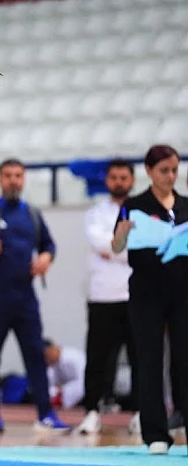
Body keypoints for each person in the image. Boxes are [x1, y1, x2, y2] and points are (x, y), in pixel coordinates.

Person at [0, 158, 70, 432]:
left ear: (24, 179)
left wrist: (46, 257)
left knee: (35, 355)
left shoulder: (32, 214)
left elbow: (49, 245)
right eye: (8, 175)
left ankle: (45, 414)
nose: (13, 180)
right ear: (0, 179)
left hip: (26, 297)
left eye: (18, 175)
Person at [111, 144, 188, 456]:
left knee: (184, 361)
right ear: (149, 172)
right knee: (150, 360)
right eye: (163, 171)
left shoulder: (185, 205)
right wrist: (123, 234)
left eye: (174, 170)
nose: (169, 176)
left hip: (182, 292)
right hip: (146, 293)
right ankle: (156, 432)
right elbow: (116, 248)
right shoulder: (134, 204)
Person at [78, 159, 138, 434]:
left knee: (140, 358)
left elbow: (139, 248)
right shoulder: (95, 213)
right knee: (98, 358)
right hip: (102, 295)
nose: (119, 182)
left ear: (133, 180)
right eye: (114, 177)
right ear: (107, 181)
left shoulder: (144, 212)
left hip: (137, 295)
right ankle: (91, 411)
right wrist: (122, 246)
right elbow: (102, 244)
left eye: (123, 177)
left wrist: (116, 247)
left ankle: (141, 413)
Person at [45, 339, 86, 411]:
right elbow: (50, 385)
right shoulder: (52, 365)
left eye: (47, 356)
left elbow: (84, 381)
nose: (47, 360)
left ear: (53, 349)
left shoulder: (73, 357)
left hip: (81, 391)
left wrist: (63, 390)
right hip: (65, 394)